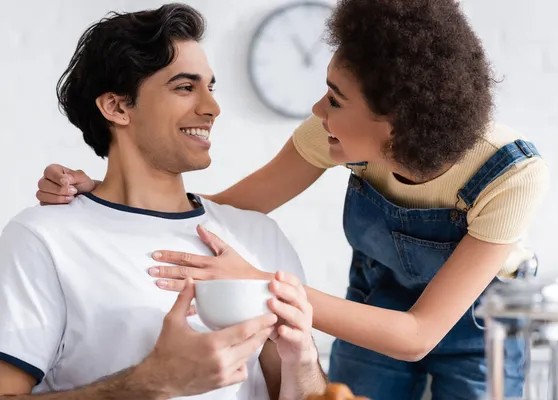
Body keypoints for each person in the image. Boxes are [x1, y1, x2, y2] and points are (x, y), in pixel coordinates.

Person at [35, 0, 549, 399]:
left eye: (336, 99)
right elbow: (220, 207)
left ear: (394, 122)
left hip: (478, 329)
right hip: (375, 305)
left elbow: (418, 334)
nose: (316, 107)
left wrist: (264, 286)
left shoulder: (509, 175)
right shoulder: (332, 136)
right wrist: (102, 199)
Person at [0, 4, 327, 399]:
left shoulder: (258, 238)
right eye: (185, 87)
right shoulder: (42, 239)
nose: (212, 108)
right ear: (117, 107)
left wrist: (303, 360)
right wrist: (150, 382)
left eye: (210, 87)